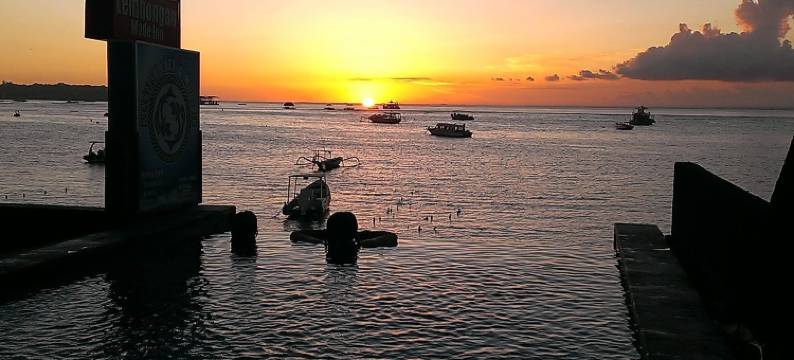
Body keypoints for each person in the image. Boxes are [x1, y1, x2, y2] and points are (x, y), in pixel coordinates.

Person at [290, 212, 398, 264]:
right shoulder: (327, 236)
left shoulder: (357, 237)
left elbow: (392, 237)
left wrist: (363, 243)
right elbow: (295, 235)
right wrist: (320, 242)